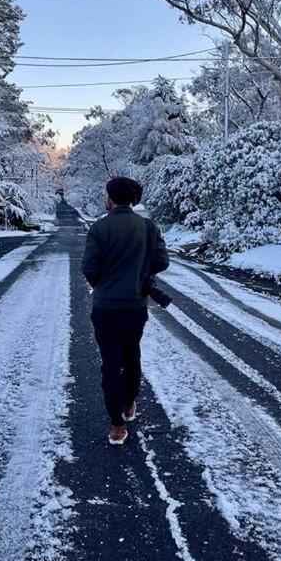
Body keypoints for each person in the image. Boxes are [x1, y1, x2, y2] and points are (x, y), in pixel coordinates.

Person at [82, 177, 169, 445]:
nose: (104, 199)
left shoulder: (99, 227)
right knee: (132, 356)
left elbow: (89, 267)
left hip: (105, 308)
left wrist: (104, 285)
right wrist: (140, 276)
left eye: (105, 195)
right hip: (135, 308)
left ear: (111, 198)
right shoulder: (148, 226)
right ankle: (129, 403)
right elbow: (162, 261)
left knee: (110, 363)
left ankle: (117, 426)